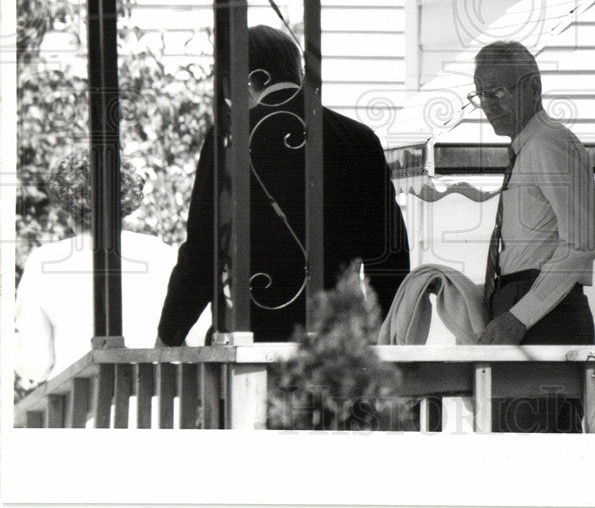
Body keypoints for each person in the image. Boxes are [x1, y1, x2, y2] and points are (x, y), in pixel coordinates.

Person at [157, 25, 410, 345]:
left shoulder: (229, 138)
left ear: (246, 79)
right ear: (298, 72)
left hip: (251, 343)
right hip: (335, 344)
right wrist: (382, 336)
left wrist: (170, 333)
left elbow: (204, 249)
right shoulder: (358, 139)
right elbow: (389, 254)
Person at [470, 40, 595, 432]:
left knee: (539, 460)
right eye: (479, 93)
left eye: (497, 91)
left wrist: (518, 316)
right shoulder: (525, 149)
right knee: (512, 453)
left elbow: (582, 244)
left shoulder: (550, 143)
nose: (487, 104)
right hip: (523, 309)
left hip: (545, 316)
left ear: (533, 89)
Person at [13, 149, 210, 387]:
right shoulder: (162, 253)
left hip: (77, 415)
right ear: (124, 201)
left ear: (67, 207)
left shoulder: (43, 261)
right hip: (159, 412)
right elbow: (200, 338)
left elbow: (33, 364)